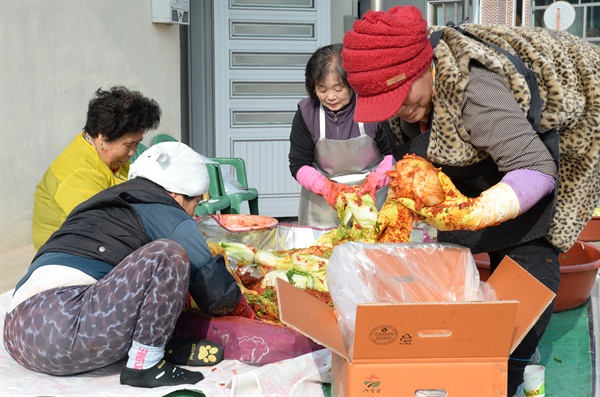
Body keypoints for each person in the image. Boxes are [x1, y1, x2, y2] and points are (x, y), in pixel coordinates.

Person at [341, 6, 600, 396]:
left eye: (402, 97)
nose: (397, 111)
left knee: (529, 258)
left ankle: (507, 370)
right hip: (490, 140)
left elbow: (536, 168)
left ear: (422, 67)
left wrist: (478, 211)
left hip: (569, 123)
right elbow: (417, 149)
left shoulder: (473, 89)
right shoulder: (410, 94)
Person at [4, 142, 254, 388]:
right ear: (179, 194)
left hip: (18, 332)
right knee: (168, 254)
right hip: (64, 326)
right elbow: (218, 296)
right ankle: (145, 365)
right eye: (195, 203)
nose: (192, 213)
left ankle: (164, 345)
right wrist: (242, 302)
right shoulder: (168, 212)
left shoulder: (108, 199)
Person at [32, 86, 162, 249]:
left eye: (137, 143)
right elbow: (108, 225)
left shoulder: (111, 157)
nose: (133, 152)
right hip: (69, 252)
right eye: (129, 144)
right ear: (103, 136)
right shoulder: (79, 172)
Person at [288, 43, 395, 228]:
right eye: (322, 89)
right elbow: (299, 164)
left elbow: (393, 153)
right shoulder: (306, 112)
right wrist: (327, 189)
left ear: (352, 84)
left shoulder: (372, 106)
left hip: (374, 202)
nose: (330, 96)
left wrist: (377, 180)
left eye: (338, 89)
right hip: (322, 208)